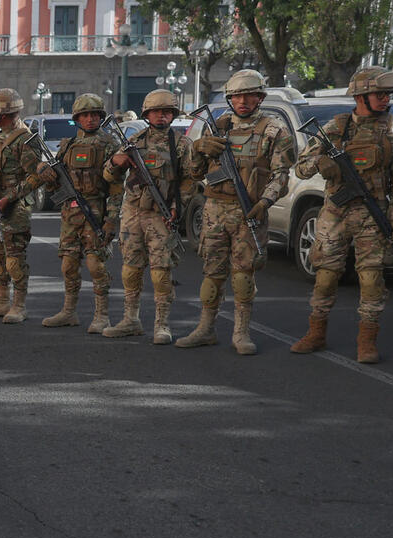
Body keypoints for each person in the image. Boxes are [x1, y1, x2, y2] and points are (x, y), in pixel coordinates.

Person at [289, 67, 393, 363]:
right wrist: (322, 162)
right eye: (380, 94)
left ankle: (367, 341)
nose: (386, 99)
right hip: (335, 214)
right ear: (361, 96)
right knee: (325, 277)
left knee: (371, 280)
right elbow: (301, 168)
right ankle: (316, 333)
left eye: (389, 94)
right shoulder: (335, 128)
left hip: (373, 216)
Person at [178, 70, 294, 354]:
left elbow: (281, 174)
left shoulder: (274, 129)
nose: (243, 101)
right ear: (230, 98)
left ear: (260, 97)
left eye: (250, 95)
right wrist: (198, 149)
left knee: (243, 275)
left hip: (249, 213)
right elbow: (194, 173)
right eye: (237, 96)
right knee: (212, 273)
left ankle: (241, 333)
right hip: (215, 209)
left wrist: (264, 203)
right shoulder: (217, 126)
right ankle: (205, 328)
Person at [102, 90, 194, 344]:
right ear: (147, 114)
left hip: (161, 216)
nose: (162, 116)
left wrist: (178, 206)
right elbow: (109, 177)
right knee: (130, 268)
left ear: (173, 114)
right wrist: (116, 161)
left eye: (167, 112)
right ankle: (130, 319)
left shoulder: (181, 144)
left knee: (161, 272)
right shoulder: (134, 141)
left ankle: (161, 324)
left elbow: (189, 181)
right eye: (156, 111)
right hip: (133, 215)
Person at [38, 94, 121, 333]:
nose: (90, 119)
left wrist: (111, 220)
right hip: (70, 215)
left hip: (96, 212)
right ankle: (69, 312)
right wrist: (46, 173)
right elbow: (54, 180)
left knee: (96, 265)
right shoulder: (68, 146)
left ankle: (102, 315)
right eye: (85, 115)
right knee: (68, 265)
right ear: (77, 118)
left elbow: (116, 188)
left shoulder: (110, 145)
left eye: (95, 115)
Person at [0, 88, 44, 324]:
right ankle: (1, 300)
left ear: (1, 114)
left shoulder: (24, 139)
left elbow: (36, 177)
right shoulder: (0, 137)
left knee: (14, 258)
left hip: (14, 207)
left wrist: (11, 197)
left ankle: (19, 304)